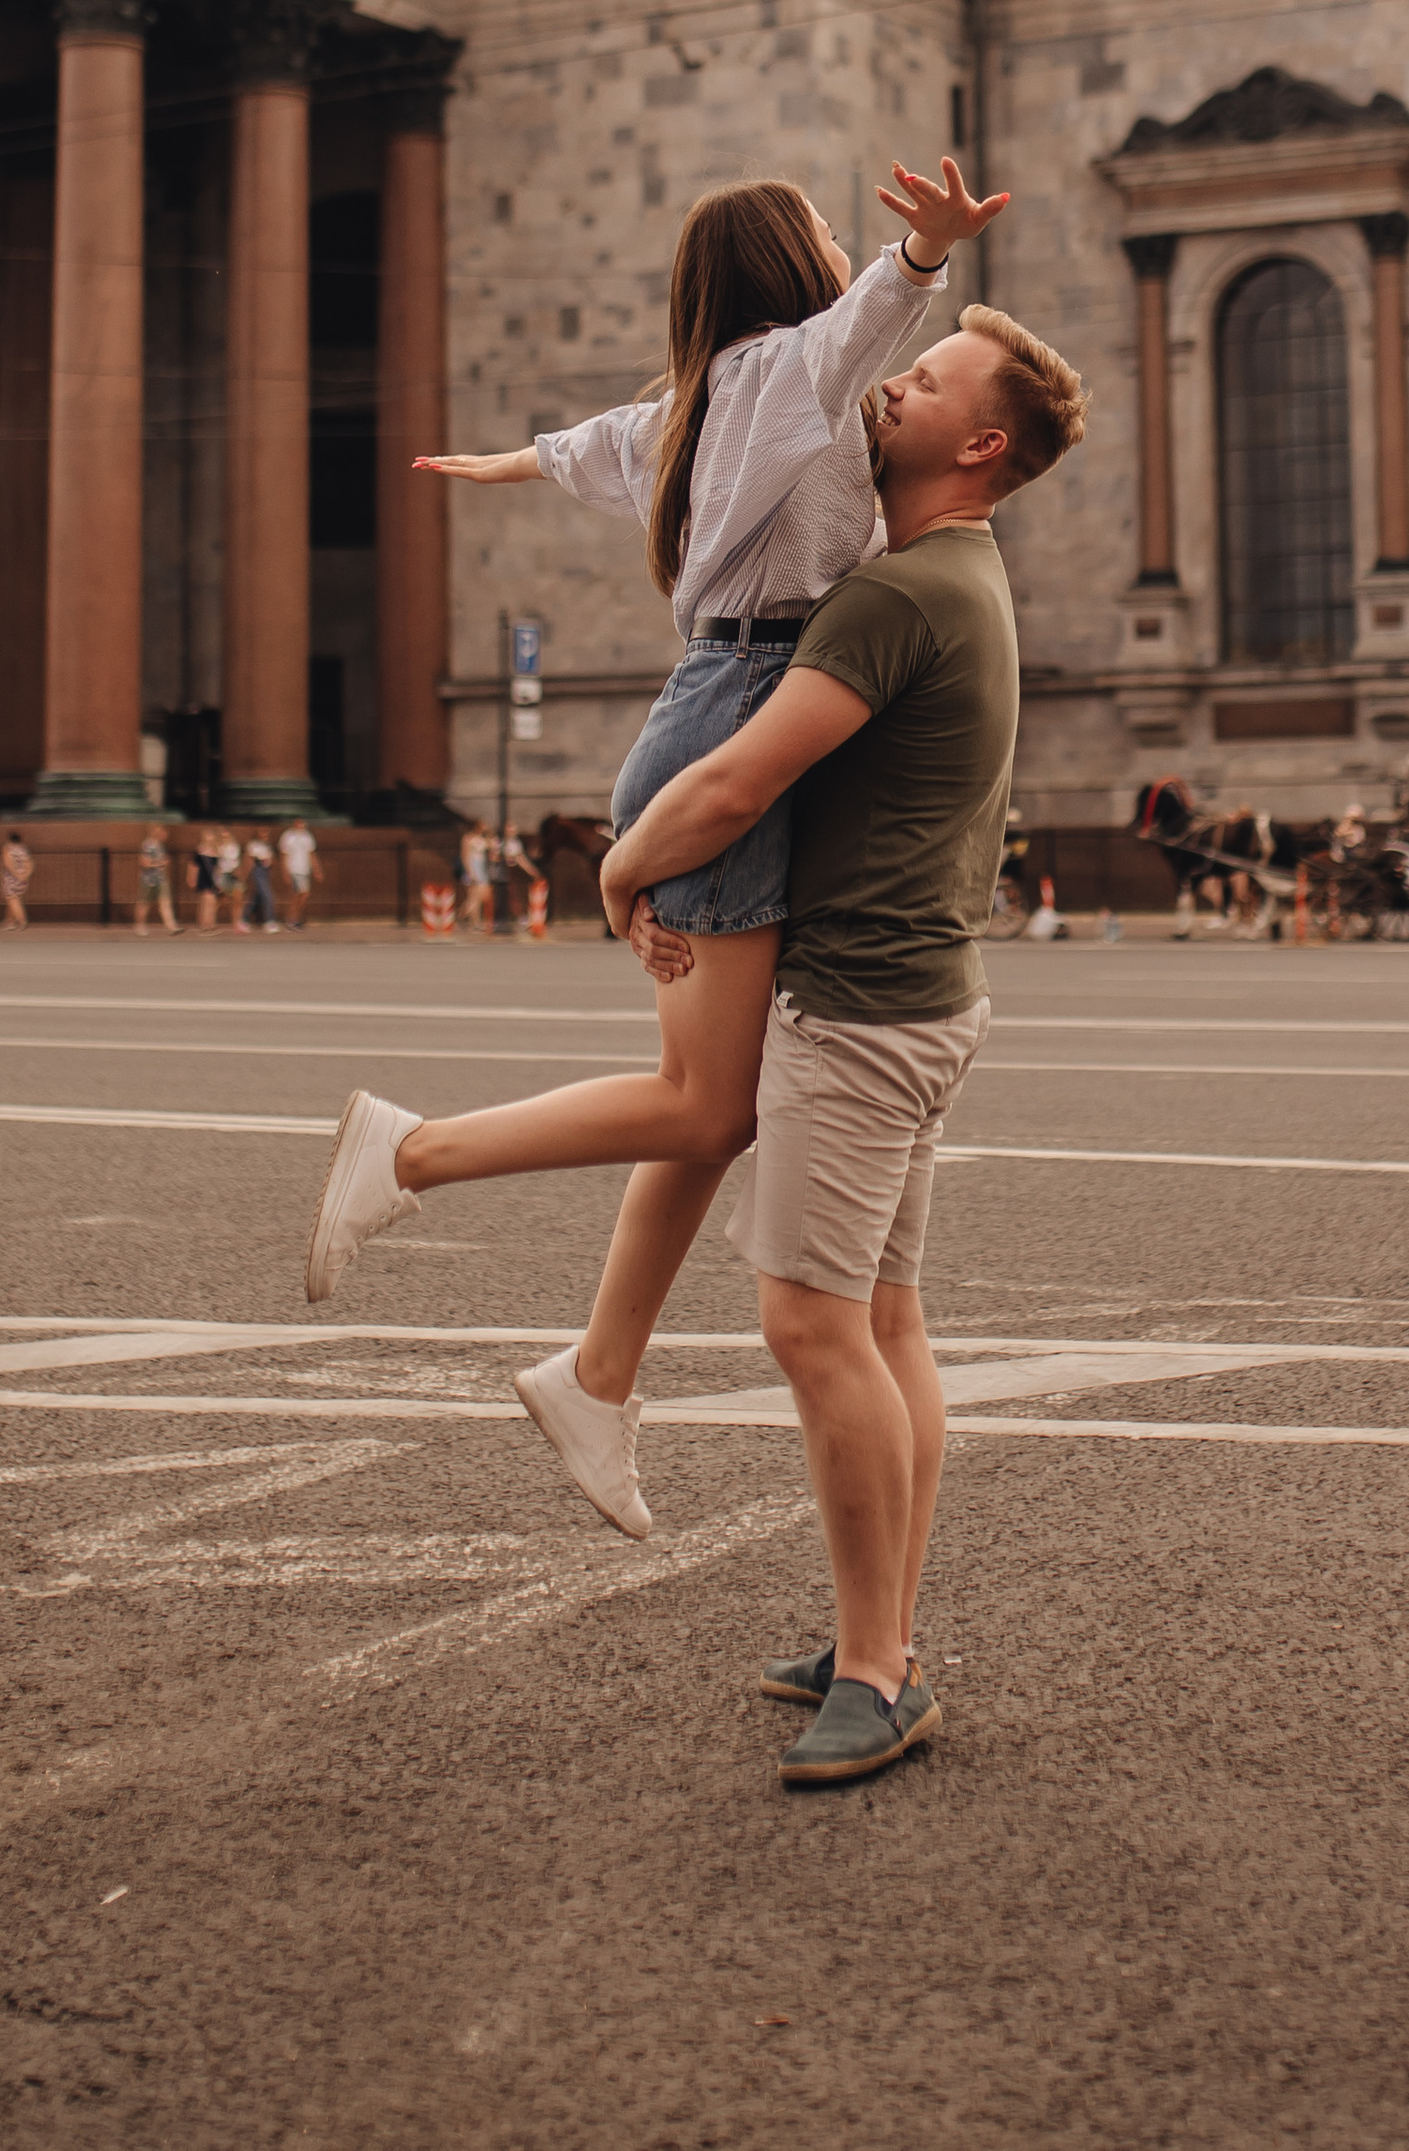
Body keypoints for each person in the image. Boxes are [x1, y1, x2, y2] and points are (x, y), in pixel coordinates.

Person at [304, 156, 1006, 1537]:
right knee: (706, 1103)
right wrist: (921, 258)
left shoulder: (688, 408)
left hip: (719, 695)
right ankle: (411, 1155)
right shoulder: (787, 378)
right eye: (817, 237)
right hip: (744, 709)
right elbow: (868, 322)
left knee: (718, 1092)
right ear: (787, 271)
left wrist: (492, 462)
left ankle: (598, 1376)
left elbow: (580, 447)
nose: (834, 253)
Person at [597, 301, 1089, 1784]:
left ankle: (878, 1668)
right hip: (927, 1000)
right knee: (883, 1328)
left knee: (811, 1329)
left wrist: (622, 865)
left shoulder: (889, 599)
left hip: (861, 1014)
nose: (894, 384)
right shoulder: (962, 575)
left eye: (925, 380)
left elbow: (739, 780)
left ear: (980, 443)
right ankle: (878, 1635)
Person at [135, 822, 177, 937]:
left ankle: (171, 926)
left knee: (165, 902)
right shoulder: (147, 845)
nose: (164, 834)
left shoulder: (160, 845)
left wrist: (163, 863)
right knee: (144, 903)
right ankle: (140, 925)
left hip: (160, 879)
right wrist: (160, 863)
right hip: (148, 879)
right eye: (161, 831)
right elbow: (145, 863)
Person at [280, 817, 318, 930]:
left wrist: (316, 869)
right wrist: (285, 872)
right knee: (297, 895)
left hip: (304, 870)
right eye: (299, 822)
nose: (301, 824)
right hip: (293, 869)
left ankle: (296, 918)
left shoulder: (307, 836)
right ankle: (292, 919)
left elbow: (311, 854)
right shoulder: (287, 836)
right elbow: (283, 856)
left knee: (304, 895)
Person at [242, 830, 279, 935]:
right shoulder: (254, 845)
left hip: (266, 870)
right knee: (268, 896)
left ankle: (244, 919)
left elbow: (272, 860)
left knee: (257, 897)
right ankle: (269, 921)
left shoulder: (268, 846)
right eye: (263, 833)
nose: (265, 836)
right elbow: (248, 860)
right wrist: (245, 875)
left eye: (266, 834)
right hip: (257, 869)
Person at [0, 827, 34, 932]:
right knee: (15, 899)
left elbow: (7, 863)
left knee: (12, 899)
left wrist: (16, 874)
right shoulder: (23, 849)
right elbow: (29, 863)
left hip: (11, 878)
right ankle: (9, 922)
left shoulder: (8, 848)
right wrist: (26, 875)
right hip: (23, 878)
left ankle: (22, 921)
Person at [189, 829, 223, 934]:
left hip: (212, 879)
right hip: (203, 878)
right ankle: (206, 926)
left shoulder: (216, 852)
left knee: (207, 903)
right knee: (209, 901)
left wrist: (219, 882)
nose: (209, 838)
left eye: (211, 835)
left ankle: (207, 924)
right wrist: (191, 878)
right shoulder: (200, 851)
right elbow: (193, 866)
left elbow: (217, 869)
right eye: (207, 835)